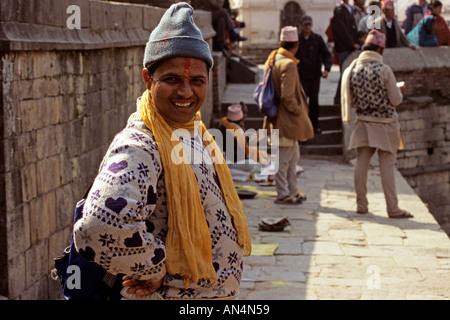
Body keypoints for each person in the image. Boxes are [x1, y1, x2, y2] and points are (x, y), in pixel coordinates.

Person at [73, 2, 251, 300]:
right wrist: (153, 268)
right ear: (147, 79)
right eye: (171, 79)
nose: (185, 92)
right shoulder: (140, 145)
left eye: (197, 81)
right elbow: (98, 225)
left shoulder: (194, 132)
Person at [341, 29, 413, 219]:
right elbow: (395, 100)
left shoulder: (353, 69)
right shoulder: (384, 70)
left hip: (363, 120)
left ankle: (361, 204)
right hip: (385, 123)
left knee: (361, 163)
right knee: (387, 165)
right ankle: (393, 207)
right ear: (380, 49)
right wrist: (400, 90)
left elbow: (353, 99)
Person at [264, 26, 314, 205]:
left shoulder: (275, 59)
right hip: (287, 120)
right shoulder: (288, 64)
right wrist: (299, 112)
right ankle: (283, 193)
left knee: (292, 159)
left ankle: (293, 190)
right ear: (296, 45)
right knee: (284, 160)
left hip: (280, 118)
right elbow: (288, 96)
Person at [295, 15, 332, 134]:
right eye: (305, 25)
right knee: (302, 102)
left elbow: (326, 54)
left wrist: (327, 68)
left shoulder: (317, 39)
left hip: (315, 75)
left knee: (314, 102)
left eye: (309, 25)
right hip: (301, 75)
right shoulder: (297, 40)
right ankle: (302, 126)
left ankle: (314, 125)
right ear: (301, 25)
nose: (307, 27)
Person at [331, 0, 360, 105]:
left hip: (351, 47)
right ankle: (338, 98)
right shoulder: (339, 10)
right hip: (344, 48)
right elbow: (341, 29)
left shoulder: (351, 10)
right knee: (345, 73)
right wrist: (352, 43)